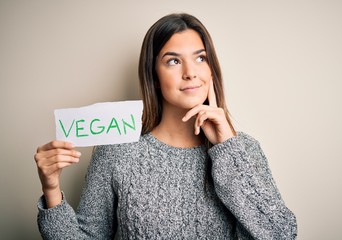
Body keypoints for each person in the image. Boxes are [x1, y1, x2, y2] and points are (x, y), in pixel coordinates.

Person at [34, 13, 297, 239]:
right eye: (173, 61)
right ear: (154, 76)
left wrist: (228, 148)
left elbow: (279, 233)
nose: (190, 72)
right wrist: (51, 189)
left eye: (200, 58)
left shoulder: (244, 150)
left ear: (211, 69)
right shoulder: (116, 151)